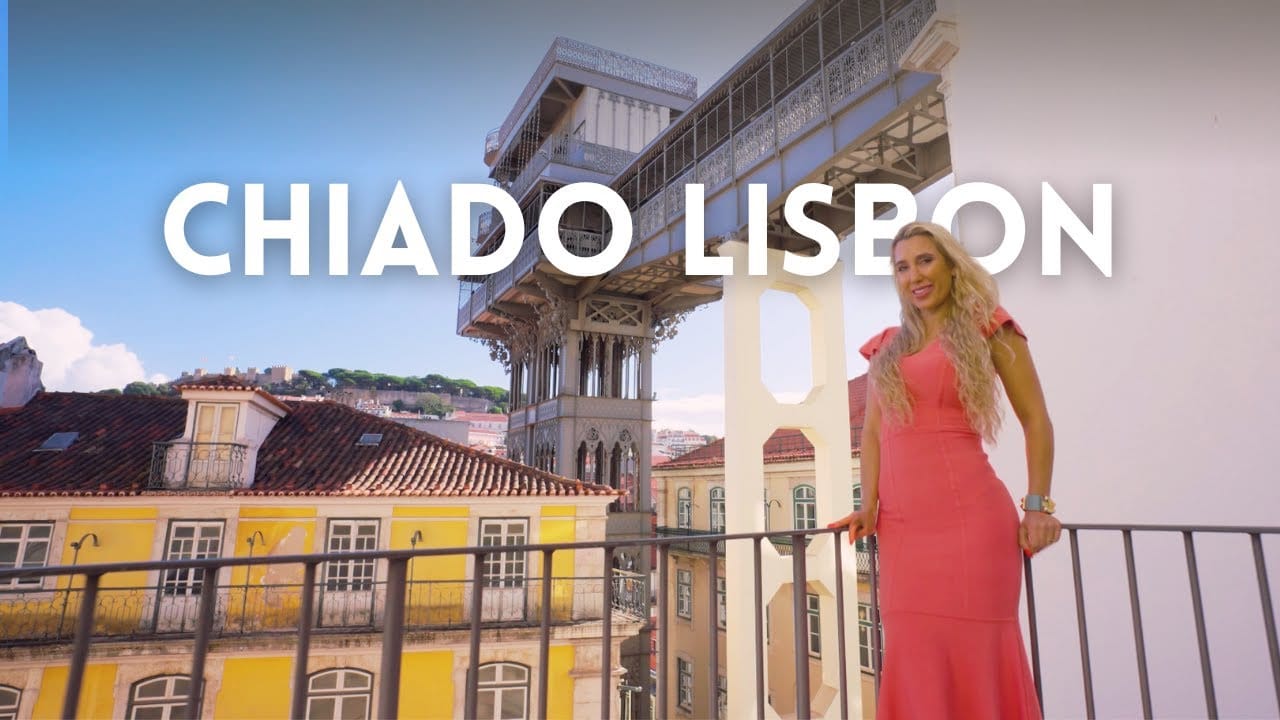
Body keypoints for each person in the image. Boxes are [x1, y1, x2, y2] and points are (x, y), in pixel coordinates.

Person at [827, 221, 1060, 719]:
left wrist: (1038, 506)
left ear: (952, 266)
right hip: (904, 536)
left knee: (979, 658)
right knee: (914, 659)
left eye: (926, 261)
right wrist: (868, 505)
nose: (915, 275)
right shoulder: (886, 347)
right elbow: (871, 434)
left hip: (972, 529)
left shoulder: (989, 328)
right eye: (902, 267)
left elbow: (1036, 420)